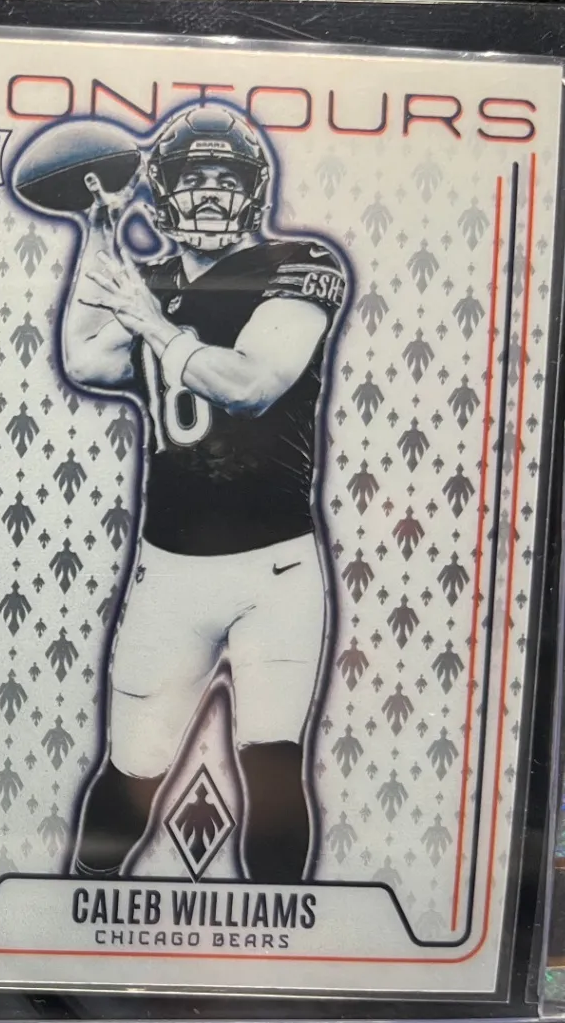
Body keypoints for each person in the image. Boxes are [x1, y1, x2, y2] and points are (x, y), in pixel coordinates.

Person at [57, 104, 349, 884]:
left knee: (273, 766)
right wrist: (97, 233)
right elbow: (86, 361)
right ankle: (75, 917)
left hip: (275, 572)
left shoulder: (297, 263)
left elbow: (253, 385)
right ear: (163, 190)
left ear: (254, 190)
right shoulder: (151, 281)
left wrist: (155, 324)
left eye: (227, 177)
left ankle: (282, 940)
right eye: (194, 177)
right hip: (168, 572)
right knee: (131, 769)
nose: (212, 192)